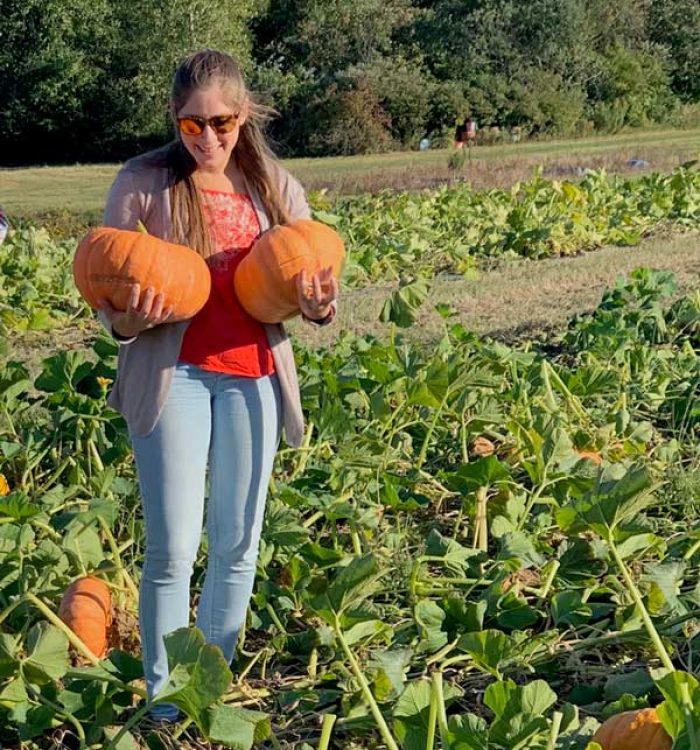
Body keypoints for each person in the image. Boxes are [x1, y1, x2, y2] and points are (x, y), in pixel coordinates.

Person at [97, 49, 339, 722]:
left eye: (223, 123)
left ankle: (211, 689)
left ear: (247, 114)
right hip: (175, 379)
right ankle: (166, 699)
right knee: (173, 547)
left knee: (237, 543)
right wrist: (123, 320)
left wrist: (319, 305)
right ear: (174, 121)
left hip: (253, 379)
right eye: (192, 125)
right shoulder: (143, 182)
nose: (208, 138)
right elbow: (105, 278)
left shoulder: (274, 186)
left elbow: (310, 277)